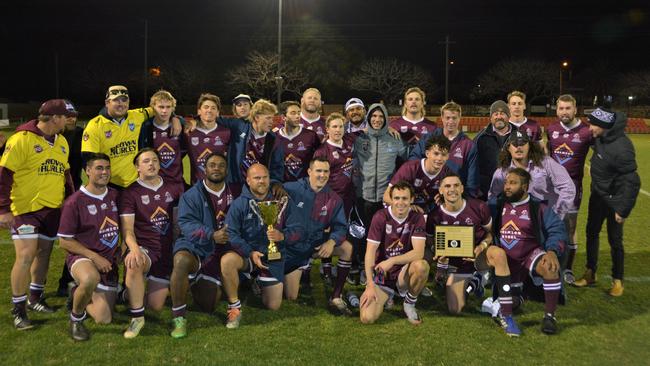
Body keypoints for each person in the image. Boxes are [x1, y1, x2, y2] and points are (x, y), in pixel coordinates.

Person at [0, 99, 75, 330]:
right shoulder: (21, 139)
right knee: (25, 256)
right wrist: (3, 209)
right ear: (55, 118)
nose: (70, 119)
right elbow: (3, 175)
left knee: (44, 253)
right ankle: (18, 309)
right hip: (25, 210)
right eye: (66, 116)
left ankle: (35, 298)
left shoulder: (61, 141)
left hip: (52, 208)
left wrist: (70, 201)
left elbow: (66, 174)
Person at [169, 152, 241, 338]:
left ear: (226, 170)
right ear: (204, 169)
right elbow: (185, 223)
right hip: (195, 247)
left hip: (220, 252)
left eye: (221, 165)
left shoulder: (236, 191)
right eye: (212, 165)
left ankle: (195, 280)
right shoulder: (191, 195)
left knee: (208, 305)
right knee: (181, 261)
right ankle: (179, 318)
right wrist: (211, 235)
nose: (216, 168)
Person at [489, 168, 567, 334]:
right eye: (506, 183)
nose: (507, 187)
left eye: (513, 183)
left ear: (525, 187)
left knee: (550, 267)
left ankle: (549, 316)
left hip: (530, 254)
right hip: (506, 260)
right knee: (510, 303)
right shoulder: (497, 204)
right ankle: (521, 295)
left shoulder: (538, 207)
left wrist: (552, 251)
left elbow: (557, 229)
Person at [574, 107, 640, 296]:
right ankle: (590, 272)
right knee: (591, 233)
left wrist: (623, 209)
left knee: (615, 240)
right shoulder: (600, 137)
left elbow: (632, 181)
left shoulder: (623, 147)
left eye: (594, 125)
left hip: (615, 200)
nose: (590, 129)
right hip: (597, 195)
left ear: (604, 126)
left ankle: (617, 280)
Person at [119, 149, 183, 338]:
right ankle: (137, 319)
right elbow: (128, 230)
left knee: (155, 305)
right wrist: (134, 249)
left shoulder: (174, 188)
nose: (151, 164)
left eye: (155, 160)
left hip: (166, 251)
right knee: (134, 262)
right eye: (146, 161)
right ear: (137, 167)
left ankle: (126, 294)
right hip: (145, 248)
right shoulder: (130, 193)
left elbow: (179, 224)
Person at [58, 153, 120, 341]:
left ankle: (76, 292)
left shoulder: (116, 196)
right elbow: (65, 241)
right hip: (83, 258)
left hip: (109, 262)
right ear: (87, 171)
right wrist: (94, 257)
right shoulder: (74, 202)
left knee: (104, 318)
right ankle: (76, 319)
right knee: (90, 277)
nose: (104, 172)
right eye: (99, 168)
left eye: (107, 168)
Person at [224, 164, 297, 319]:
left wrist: (282, 235)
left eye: (265, 177)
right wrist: (249, 252)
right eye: (257, 178)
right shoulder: (239, 204)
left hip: (273, 256)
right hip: (249, 255)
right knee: (227, 261)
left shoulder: (281, 199)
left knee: (273, 305)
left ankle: (256, 279)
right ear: (248, 181)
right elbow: (231, 233)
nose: (262, 181)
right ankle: (235, 305)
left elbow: (298, 227)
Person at [283, 157, 354, 315]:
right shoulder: (290, 189)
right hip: (292, 249)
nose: (322, 175)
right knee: (291, 296)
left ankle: (336, 296)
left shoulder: (334, 199)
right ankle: (265, 277)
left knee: (346, 248)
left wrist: (331, 242)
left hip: (315, 245)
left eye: (326, 171)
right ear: (309, 172)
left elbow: (341, 227)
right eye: (318, 171)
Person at [81, 85, 181, 189]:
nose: (121, 104)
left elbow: (160, 108)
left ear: (128, 102)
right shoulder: (94, 126)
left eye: (124, 100)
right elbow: (88, 160)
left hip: (135, 184)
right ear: (107, 103)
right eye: (116, 100)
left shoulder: (137, 115)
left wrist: (175, 117)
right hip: (109, 185)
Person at [351, 103, 407, 285]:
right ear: (368, 118)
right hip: (364, 196)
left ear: (385, 119)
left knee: (384, 237)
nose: (377, 120)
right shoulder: (359, 139)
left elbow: (406, 163)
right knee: (366, 235)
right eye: (373, 116)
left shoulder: (394, 139)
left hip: (386, 198)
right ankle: (363, 268)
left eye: (380, 117)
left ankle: (382, 270)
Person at [359, 181, 429, 325]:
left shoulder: (417, 218)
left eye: (404, 198)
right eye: (396, 198)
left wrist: (392, 260)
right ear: (391, 199)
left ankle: (409, 303)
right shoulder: (380, 217)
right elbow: (370, 252)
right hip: (382, 273)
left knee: (421, 266)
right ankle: (387, 295)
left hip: (403, 272)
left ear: (411, 200)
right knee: (367, 318)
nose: (400, 202)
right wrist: (370, 284)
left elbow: (418, 253)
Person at [546, 94, 594, 284]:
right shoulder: (551, 129)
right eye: (561, 108)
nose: (564, 112)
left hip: (573, 187)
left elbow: (600, 151)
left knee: (570, 226)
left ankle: (567, 268)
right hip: (551, 188)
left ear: (575, 110)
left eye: (568, 108)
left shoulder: (586, 131)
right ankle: (549, 263)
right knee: (549, 224)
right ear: (556, 110)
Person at [489, 131, 575, 220]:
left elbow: (568, 187)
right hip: (518, 221)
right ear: (508, 148)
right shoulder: (502, 172)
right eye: (515, 144)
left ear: (529, 146)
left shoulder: (547, 163)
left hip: (546, 218)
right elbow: (493, 197)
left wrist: (557, 214)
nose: (519, 147)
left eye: (523, 143)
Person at [409, 101, 479, 197]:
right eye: (447, 118)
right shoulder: (429, 138)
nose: (451, 121)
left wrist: (464, 199)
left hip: (453, 195)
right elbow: (414, 160)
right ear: (442, 118)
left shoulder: (468, 145)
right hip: (427, 193)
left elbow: (472, 180)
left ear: (459, 119)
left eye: (454, 118)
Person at [56, 100, 83, 296]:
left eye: (74, 114)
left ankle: (65, 282)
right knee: (42, 247)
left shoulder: (81, 134)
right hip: (49, 197)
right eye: (68, 115)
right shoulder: (46, 137)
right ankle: (35, 291)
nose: (72, 118)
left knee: (74, 239)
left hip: (73, 196)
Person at [384, 134, 452, 213]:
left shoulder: (447, 174)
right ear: (427, 153)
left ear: (448, 156)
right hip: (404, 210)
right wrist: (408, 208)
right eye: (436, 154)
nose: (439, 158)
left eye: (443, 155)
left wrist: (445, 198)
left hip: (428, 211)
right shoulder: (410, 168)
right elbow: (386, 197)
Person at [225, 99, 285, 186]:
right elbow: (217, 120)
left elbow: (277, 168)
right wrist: (197, 120)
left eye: (272, 118)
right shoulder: (239, 128)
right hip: (235, 184)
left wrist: (274, 183)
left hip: (258, 187)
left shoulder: (275, 140)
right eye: (268, 118)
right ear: (257, 117)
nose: (271, 122)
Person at [139, 90, 187, 191]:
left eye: (168, 107)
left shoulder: (180, 126)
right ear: (153, 108)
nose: (164, 111)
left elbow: (184, 150)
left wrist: (177, 118)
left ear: (172, 108)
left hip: (177, 183)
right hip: (153, 185)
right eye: (161, 107)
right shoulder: (146, 127)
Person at [185, 93, 232, 184]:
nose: (209, 110)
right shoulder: (189, 132)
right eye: (206, 107)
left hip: (220, 186)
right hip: (197, 186)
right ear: (199, 111)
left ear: (218, 112)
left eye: (213, 108)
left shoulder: (226, 133)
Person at [474, 100, 515, 200]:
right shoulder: (480, 138)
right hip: (487, 190)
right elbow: (473, 165)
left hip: (513, 188)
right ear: (491, 117)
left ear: (509, 116)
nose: (499, 117)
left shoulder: (519, 135)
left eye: (502, 114)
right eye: (495, 114)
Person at [275, 101, 320, 182]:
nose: (297, 116)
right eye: (293, 113)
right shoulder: (274, 137)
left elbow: (319, 160)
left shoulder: (311, 135)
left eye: (299, 113)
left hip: (305, 186)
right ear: (283, 117)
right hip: (282, 187)